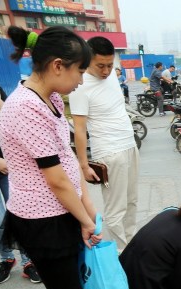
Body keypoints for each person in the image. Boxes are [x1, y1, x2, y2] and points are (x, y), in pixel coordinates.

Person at [0, 26, 131, 289]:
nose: (81, 80)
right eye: (79, 72)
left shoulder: (51, 99)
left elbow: (70, 162)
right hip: (43, 220)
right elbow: (55, 180)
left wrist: (88, 209)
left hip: (63, 212)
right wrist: (86, 220)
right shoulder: (25, 108)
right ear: (58, 66)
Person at [69, 37, 139, 252]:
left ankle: (133, 249)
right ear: (87, 59)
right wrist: (84, 165)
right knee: (116, 210)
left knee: (131, 203)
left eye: (110, 65)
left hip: (129, 145)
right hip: (108, 152)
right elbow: (80, 129)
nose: (106, 70)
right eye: (101, 65)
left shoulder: (110, 77)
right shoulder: (79, 86)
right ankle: (122, 255)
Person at [0, 86, 38, 284]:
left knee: (20, 216)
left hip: (8, 166)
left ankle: (28, 262)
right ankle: (7, 259)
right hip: (0, 163)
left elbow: (11, 120)